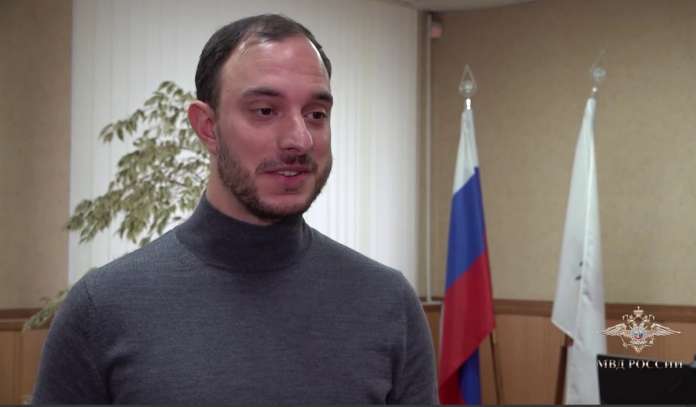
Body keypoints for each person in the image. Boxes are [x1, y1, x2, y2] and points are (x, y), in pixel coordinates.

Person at [32, 14, 437, 404]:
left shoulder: (387, 303)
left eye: (316, 115)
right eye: (265, 111)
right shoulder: (102, 309)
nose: (299, 139)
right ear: (207, 127)